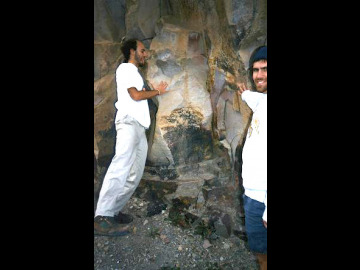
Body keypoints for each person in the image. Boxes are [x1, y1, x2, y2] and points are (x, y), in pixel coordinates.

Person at [94, 39, 169, 236]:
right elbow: (135, 96)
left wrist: (149, 91)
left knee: (135, 173)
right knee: (121, 165)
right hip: (128, 124)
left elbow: (139, 95)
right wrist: (157, 91)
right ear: (132, 51)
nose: (145, 54)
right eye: (142, 50)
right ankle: (101, 217)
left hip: (139, 127)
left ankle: (113, 211)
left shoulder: (135, 73)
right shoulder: (125, 69)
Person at [237, 46, 267, 269]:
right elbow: (255, 100)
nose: (259, 75)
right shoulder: (262, 102)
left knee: (264, 255)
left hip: (262, 200)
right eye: (256, 70)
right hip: (252, 193)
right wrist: (244, 93)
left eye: (265, 69)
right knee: (259, 252)